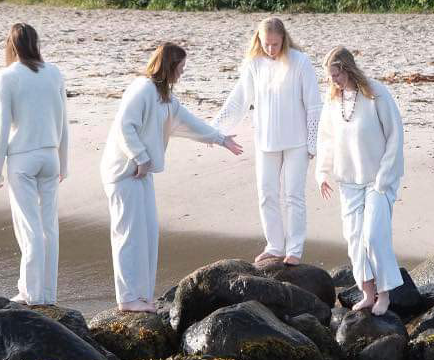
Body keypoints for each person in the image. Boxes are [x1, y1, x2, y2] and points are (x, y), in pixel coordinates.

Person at [101, 42, 243, 311]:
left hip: (141, 173)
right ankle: (127, 299)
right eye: (181, 67)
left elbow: (189, 122)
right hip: (123, 172)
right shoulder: (142, 89)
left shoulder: (164, 96)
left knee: (147, 233)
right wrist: (140, 157)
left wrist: (221, 139)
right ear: (169, 66)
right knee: (128, 235)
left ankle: (142, 295)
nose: (182, 72)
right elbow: (124, 126)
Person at [216, 16, 321, 268]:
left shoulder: (300, 61)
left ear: (283, 39)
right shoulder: (254, 64)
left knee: (293, 195)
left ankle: (294, 249)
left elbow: (314, 104)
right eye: (266, 44)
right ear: (259, 41)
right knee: (266, 194)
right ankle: (274, 246)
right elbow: (239, 100)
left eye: (275, 44)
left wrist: (312, 142)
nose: (271, 49)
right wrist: (215, 129)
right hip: (266, 140)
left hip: (297, 142)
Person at [316, 45, 404, 316]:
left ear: (349, 69)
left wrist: (384, 177)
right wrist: (322, 172)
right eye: (330, 77)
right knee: (354, 238)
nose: (333, 81)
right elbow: (326, 139)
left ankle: (384, 294)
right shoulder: (333, 101)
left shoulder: (376, 93)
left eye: (337, 75)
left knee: (374, 236)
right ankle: (367, 292)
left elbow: (395, 134)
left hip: (378, 179)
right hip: (348, 180)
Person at [0, 21, 70, 306]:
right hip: (50, 156)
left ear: (12, 46)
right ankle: (47, 294)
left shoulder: (7, 77)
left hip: (22, 158)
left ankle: (31, 293)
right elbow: (63, 122)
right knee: (49, 227)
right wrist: (64, 162)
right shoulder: (54, 73)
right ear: (36, 44)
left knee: (29, 228)